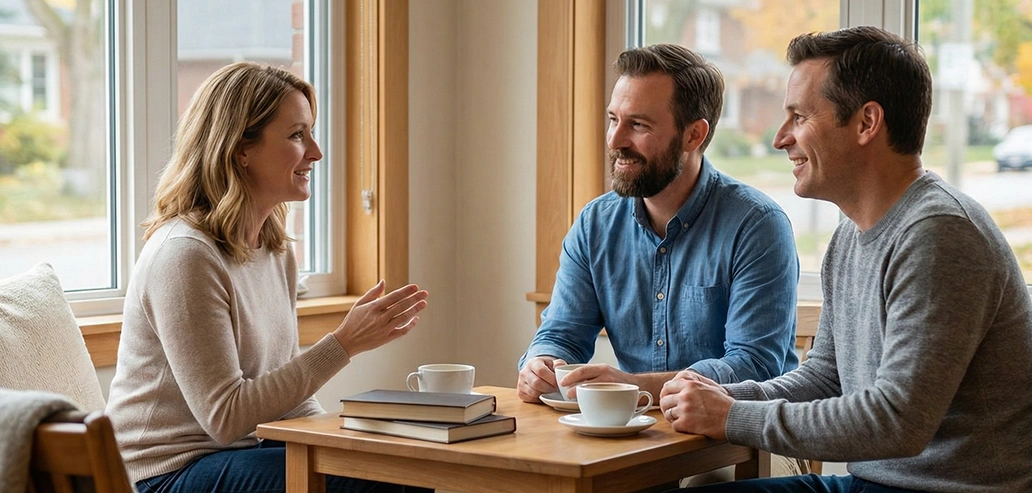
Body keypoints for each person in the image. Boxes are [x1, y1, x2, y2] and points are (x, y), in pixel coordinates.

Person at [660, 26, 1032, 493]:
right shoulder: (849, 237)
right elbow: (825, 378)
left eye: (799, 117)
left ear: (866, 123)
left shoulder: (939, 233)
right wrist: (722, 397)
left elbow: (897, 421)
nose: (780, 138)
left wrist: (733, 416)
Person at [106, 62, 430, 493]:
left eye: (311, 133)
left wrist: (342, 443)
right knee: (383, 482)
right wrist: (343, 344)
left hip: (242, 453)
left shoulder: (273, 248)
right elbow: (225, 418)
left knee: (402, 466)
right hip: (165, 472)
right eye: (297, 135)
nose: (315, 152)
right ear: (241, 148)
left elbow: (290, 400)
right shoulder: (185, 255)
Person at [517, 44, 799, 404]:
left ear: (693, 135)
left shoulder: (757, 226)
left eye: (638, 125)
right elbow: (561, 334)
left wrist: (635, 387)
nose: (615, 140)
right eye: (613, 119)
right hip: (634, 429)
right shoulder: (595, 225)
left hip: (738, 434)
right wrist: (541, 363)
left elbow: (755, 366)